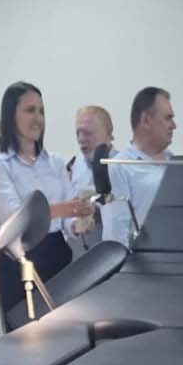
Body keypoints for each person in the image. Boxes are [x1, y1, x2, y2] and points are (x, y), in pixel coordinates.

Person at [0, 81, 95, 365]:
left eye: (41, 111)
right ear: (10, 115)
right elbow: (20, 216)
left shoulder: (55, 163)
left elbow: (66, 225)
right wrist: (67, 208)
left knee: (64, 347)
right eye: (29, 110)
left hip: (58, 256)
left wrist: (81, 218)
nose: (38, 118)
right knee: (25, 349)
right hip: (21, 260)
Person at [105, 87, 176, 241]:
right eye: (168, 118)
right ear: (146, 120)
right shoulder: (120, 166)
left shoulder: (176, 162)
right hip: (143, 254)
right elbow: (116, 231)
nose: (173, 125)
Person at [66, 104, 114, 255]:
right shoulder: (71, 167)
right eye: (78, 133)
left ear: (108, 133)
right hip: (78, 257)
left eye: (87, 133)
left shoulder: (122, 166)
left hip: (113, 254)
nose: (81, 139)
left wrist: (99, 209)